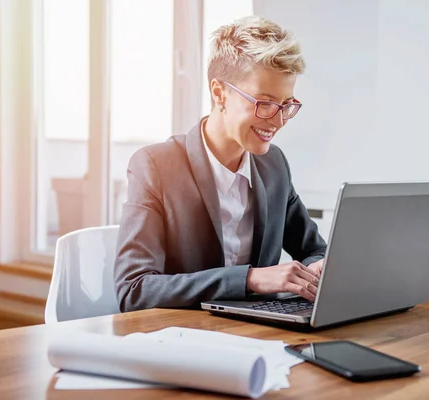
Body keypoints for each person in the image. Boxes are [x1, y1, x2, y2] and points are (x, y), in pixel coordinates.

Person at [113, 15, 327, 312]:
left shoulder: (273, 165)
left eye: (286, 105)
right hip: (183, 341)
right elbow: (133, 290)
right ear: (219, 92)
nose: (278, 121)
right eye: (264, 103)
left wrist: (318, 269)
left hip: (261, 337)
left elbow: (314, 249)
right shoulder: (155, 166)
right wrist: (249, 279)